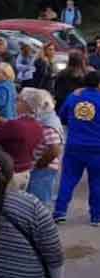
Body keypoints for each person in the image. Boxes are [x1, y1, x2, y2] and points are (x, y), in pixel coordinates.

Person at [53, 70, 100, 226]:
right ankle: (96, 217)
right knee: (97, 183)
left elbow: (62, 116)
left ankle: (60, 212)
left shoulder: (74, 96)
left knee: (68, 179)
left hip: (74, 145)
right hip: (97, 147)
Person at [0, 92, 44, 191]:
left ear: (26, 104)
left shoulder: (16, 125)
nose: (15, 102)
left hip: (11, 172)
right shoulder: (37, 125)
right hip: (25, 170)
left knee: (4, 202)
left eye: (18, 100)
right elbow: (10, 131)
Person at [21, 88, 63, 209]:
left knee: (39, 203)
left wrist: (40, 164)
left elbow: (55, 148)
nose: (17, 103)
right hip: (42, 167)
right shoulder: (45, 118)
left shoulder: (47, 123)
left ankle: (40, 225)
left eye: (20, 101)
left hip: (44, 169)